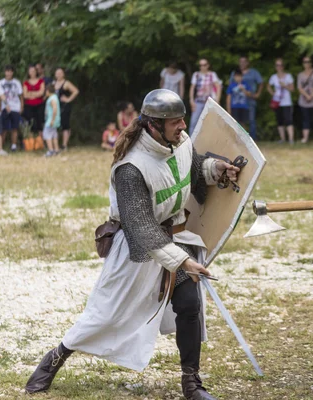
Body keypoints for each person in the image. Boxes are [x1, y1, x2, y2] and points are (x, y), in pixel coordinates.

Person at [25, 89, 239, 400]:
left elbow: (189, 169)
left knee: (189, 305)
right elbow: (141, 227)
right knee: (105, 315)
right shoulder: (132, 167)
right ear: (153, 125)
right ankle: (58, 354)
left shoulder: (180, 143)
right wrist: (182, 261)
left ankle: (192, 383)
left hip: (173, 238)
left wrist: (215, 169)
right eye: (174, 122)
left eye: (183, 120)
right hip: (135, 250)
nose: (182, 126)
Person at [229, 56, 263, 141]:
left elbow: (261, 82)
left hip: (250, 99)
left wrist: (257, 94)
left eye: (244, 61)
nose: (242, 63)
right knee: (237, 121)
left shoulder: (253, 72)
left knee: (251, 120)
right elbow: (230, 86)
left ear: (248, 63)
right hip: (237, 102)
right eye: (241, 61)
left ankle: (252, 139)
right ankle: (238, 139)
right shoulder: (235, 73)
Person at [189, 58, 221, 136]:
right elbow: (192, 88)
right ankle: (190, 142)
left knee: (210, 122)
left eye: (204, 65)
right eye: (201, 65)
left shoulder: (212, 74)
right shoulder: (196, 75)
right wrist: (191, 100)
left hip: (210, 102)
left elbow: (218, 87)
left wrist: (217, 100)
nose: (202, 67)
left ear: (208, 65)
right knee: (193, 122)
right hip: (198, 101)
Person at [267, 58, 295, 144]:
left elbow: (292, 89)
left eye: (280, 65)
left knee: (288, 120)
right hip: (277, 101)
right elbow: (268, 86)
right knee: (280, 120)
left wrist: (285, 85)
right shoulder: (273, 77)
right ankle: (282, 139)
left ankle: (291, 139)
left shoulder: (288, 76)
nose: (278, 67)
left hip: (286, 102)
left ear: (283, 66)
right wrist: (272, 93)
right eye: (277, 65)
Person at [54, 67, 79, 151]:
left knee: (65, 125)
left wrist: (68, 99)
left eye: (60, 73)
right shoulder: (53, 83)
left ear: (63, 74)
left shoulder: (66, 83)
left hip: (64, 107)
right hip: (55, 107)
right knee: (56, 125)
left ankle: (64, 145)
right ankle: (56, 144)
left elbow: (75, 91)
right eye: (57, 73)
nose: (59, 74)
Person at [0, 65, 24, 151]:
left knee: (15, 127)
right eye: (7, 71)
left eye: (10, 71)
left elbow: (21, 96)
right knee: (4, 128)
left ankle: (14, 146)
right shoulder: (0, 83)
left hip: (15, 107)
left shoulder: (17, 82)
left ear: (12, 72)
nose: (9, 73)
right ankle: (1, 147)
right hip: (4, 107)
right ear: (4, 72)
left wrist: (21, 106)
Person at [23, 65, 45, 140]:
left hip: (39, 105)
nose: (32, 72)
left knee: (40, 123)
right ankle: (31, 142)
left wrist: (31, 93)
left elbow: (41, 93)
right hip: (29, 105)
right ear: (28, 72)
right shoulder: (26, 82)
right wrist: (36, 93)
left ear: (36, 72)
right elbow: (25, 95)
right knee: (30, 123)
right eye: (31, 71)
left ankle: (41, 142)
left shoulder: (41, 81)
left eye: (34, 71)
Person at [43, 84, 61, 157]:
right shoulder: (54, 97)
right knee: (54, 135)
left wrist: (52, 120)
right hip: (54, 120)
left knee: (47, 134)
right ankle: (56, 150)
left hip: (51, 120)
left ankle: (50, 151)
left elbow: (54, 109)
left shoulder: (52, 98)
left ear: (48, 91)